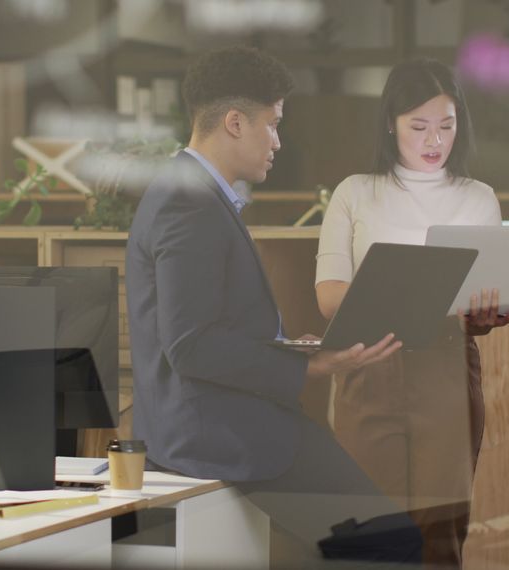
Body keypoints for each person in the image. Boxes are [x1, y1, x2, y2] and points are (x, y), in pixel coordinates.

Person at [125, 45, 422, 565]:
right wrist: (313, 365)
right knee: (390, 541)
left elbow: (206, 327)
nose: (279, 142)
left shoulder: (192, 193)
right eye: (273, 124)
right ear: (235, 122)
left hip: (221, 422)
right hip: (219, 433)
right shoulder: (189, 204)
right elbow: (191, 346)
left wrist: (289, 349)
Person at [315, 58, 509, 568]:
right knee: (368, 527)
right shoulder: (355, 192)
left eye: (446, 126)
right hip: (369, 365)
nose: (434, 141)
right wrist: (407, 294)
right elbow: (330, 296)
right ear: (390, 123)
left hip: (444, 369)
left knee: (440, 529)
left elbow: (480, 303)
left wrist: (488, 311)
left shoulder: (478, 199)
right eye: (419, 126)